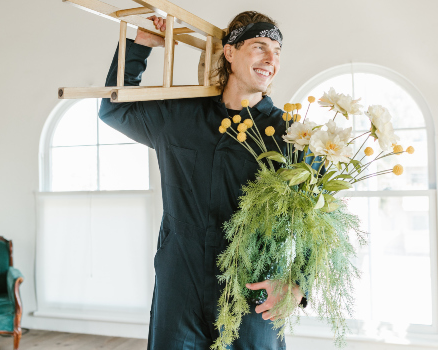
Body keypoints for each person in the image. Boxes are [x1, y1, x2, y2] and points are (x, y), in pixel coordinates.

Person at [98, 11, 304, 349]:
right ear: (230, 52)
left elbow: (318, 217)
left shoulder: (291, 135)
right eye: (259, 46)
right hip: (181, 285)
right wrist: (143, 44)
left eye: (277, 51)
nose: (271, 59)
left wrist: (298, 283)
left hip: (252, 287)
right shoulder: (179, 116)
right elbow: (113, 110)